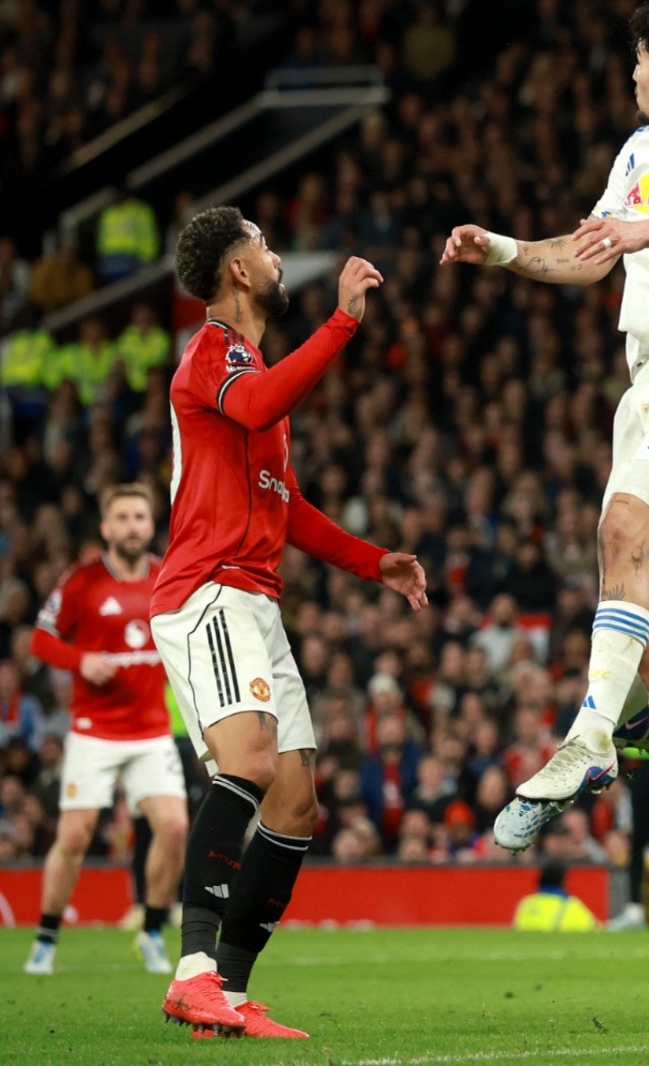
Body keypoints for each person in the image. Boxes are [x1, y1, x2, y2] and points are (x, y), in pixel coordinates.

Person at [439, 0, 649, 933]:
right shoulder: (635, 155)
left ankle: (588, 741)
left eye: (637, 60)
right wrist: (500, 249)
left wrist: (642, 233)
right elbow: (589, 256)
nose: (629, 74)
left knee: (617, 530)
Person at [150, 208, 427, 1037]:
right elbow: (264, 398)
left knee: (297, 799)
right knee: (252, 760)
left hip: (257, 597)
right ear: (238, 270)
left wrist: (372, 560)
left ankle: (226, 993)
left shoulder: (252, 366)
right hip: (209, 590)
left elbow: (286, 505)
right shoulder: (211, 356)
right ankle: (192, 968)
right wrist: (345, 319)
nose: (276, 258)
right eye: (265, 246)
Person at [24, 483, 187, 977]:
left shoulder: (168, 576)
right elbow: (39, 639)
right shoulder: (84, 580)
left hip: (151, 729)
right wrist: (81, 660)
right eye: (123, 518)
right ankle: (46, 939)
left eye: (140, 516)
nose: (133, 526)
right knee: (74, 836)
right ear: (106, 528)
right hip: (94, 730)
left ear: (150, 523)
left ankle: (153, 932)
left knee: (175, 828)